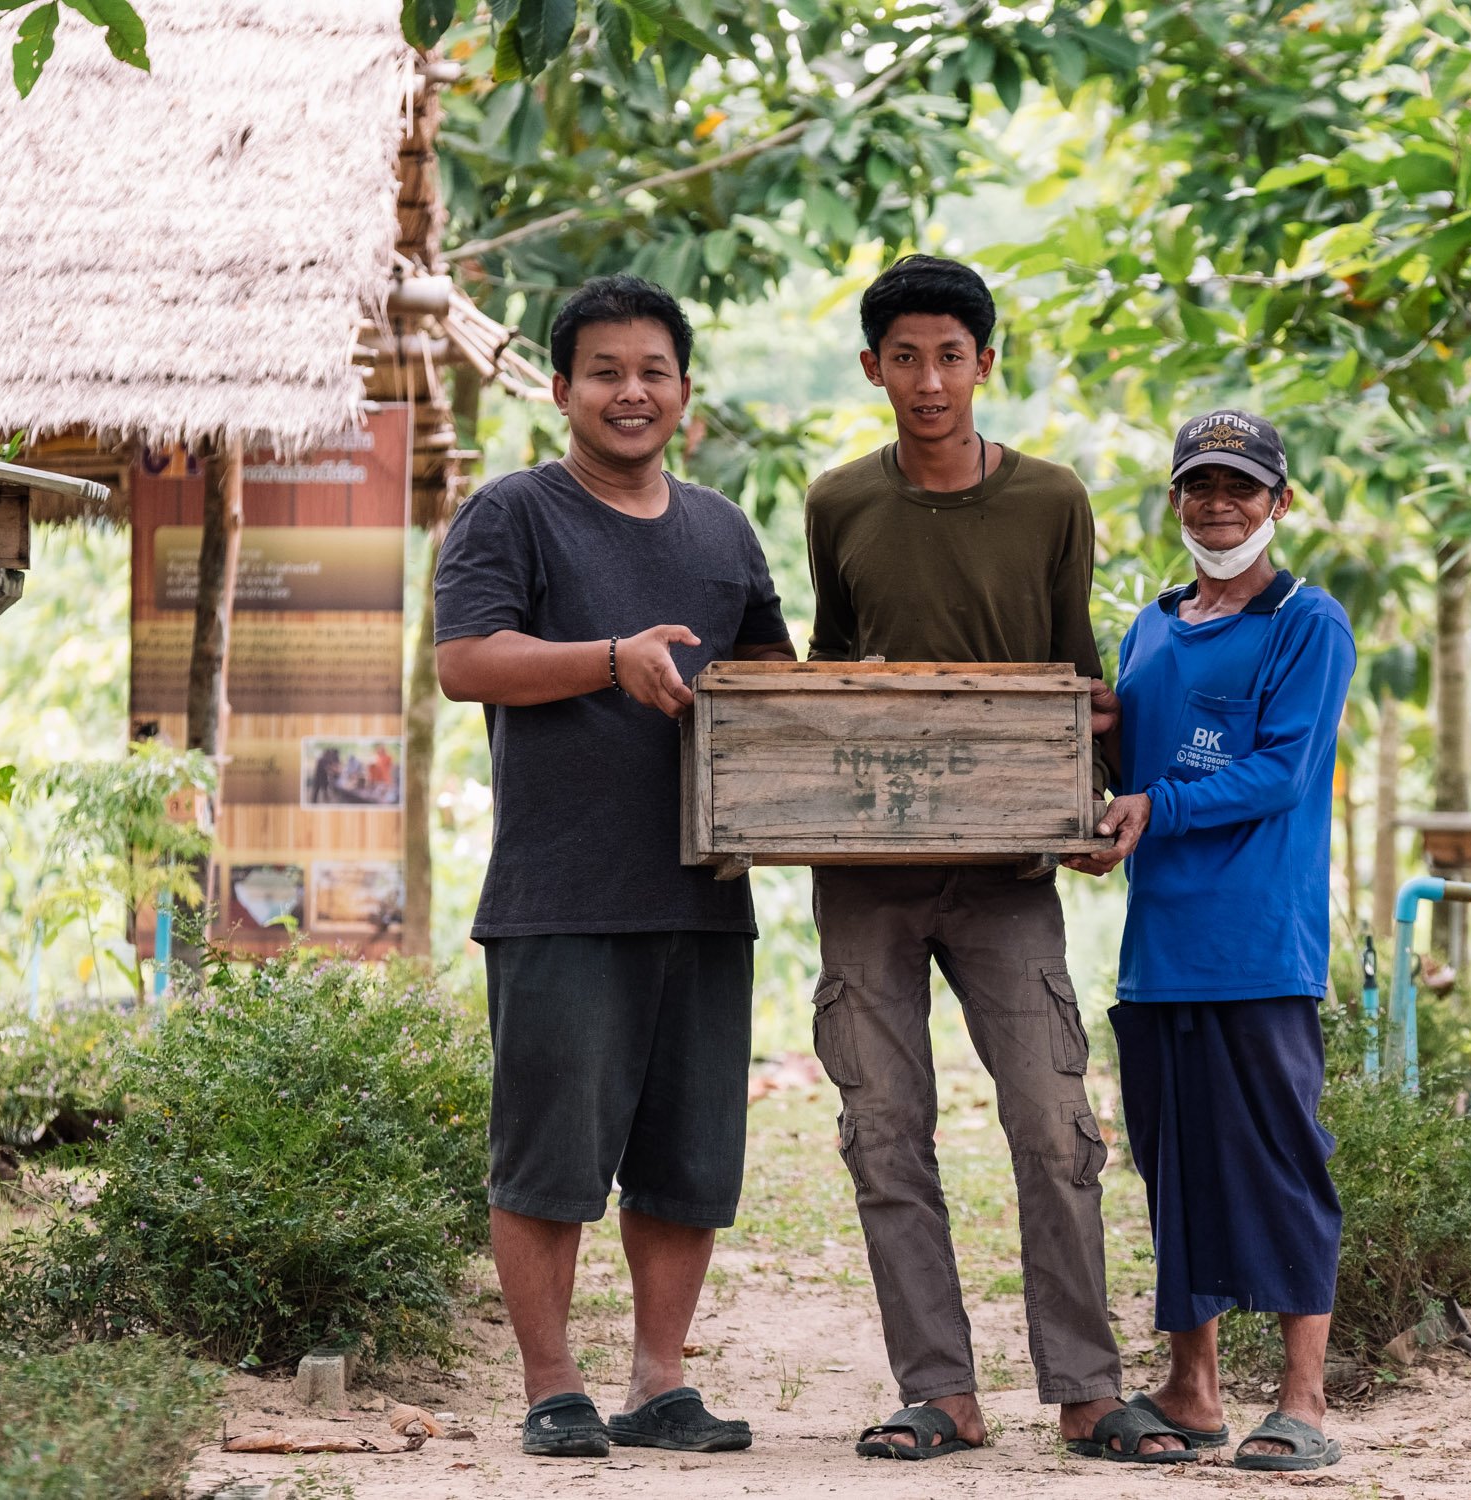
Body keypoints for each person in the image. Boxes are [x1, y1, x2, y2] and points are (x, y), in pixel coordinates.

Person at [803, 254, 1189, 1464]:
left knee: (1051, 1123)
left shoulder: (1052, 499)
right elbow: (832, 669)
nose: (929, 380)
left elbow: (1075, 675)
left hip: (1011, 876)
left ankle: (1085, 1390)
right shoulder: (836, 502)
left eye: (951, 356)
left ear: (986, 363)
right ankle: (940, 1393)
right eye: (904, 357)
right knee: (885, 1130)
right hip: (865, 869)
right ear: (873, 368)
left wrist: (1082, 809)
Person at [433, 275, 795, 1459]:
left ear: (685, 391)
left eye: (653, 371)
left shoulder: (725, 530)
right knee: (549, 1153)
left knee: (689, 1157)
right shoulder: (512, 514)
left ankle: (659, 1381)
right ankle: (552, 1387)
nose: (630, 392)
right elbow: (467, 663)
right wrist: (606, 659)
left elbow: (771, 691)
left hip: (705, 895)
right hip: (560, 894)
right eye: (605, 372)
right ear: (562, 387)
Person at [1067, 409, 1357, 1473]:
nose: (1220, 506)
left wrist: (1153, 808)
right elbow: (1128, 767)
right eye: (1200, 487)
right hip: (1159, 954)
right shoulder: (1149, 627)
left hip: (1259, 950)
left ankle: (1305, 1402)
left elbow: (1281, 772)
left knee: (1282, 1167)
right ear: (1175, 500)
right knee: (1176, 1170)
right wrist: (1091, 784)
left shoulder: (1306, 622)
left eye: (1242, 488)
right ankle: (1191, 1392)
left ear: (1281, 502)